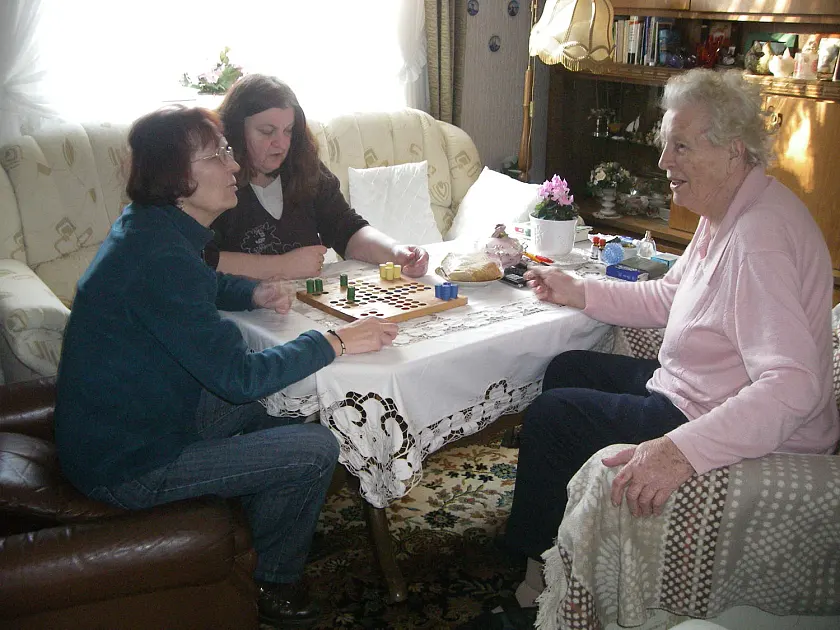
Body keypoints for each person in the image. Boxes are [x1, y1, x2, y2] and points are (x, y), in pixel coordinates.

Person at [54, 105, 398, 627]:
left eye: (228, 152)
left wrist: (251, 292)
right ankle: (273, 584)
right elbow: (239, 378)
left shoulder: (150, 227)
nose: (234, 165)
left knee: (281, 408)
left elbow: (202, 284)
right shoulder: (162, 256)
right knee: (314, 446)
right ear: (177, 177)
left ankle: (272, 520)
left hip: (135, 422)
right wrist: (335, 340)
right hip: (130, 466)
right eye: (217, 155)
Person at [503, 68, 840, 563]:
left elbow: (794, 385)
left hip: (728, 419)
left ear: (734, 151)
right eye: (666, 144)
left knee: (554, 417)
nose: (664, 161)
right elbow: (668, 296)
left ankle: (533, 574)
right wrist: (578, 290)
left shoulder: (757, 239)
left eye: (680, 146)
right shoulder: (727, 210)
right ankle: (575, 529)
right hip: (698, 389)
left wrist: (681, 450)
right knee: (569, 368)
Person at [205, 73, 430, 280]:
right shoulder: (214, 181)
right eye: (267, 131)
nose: (281, 143)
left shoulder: (303, 165)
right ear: (235, 130)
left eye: (288, 130)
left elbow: (346, 229)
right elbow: (201, 258)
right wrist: (282, 266)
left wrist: (396, 252)